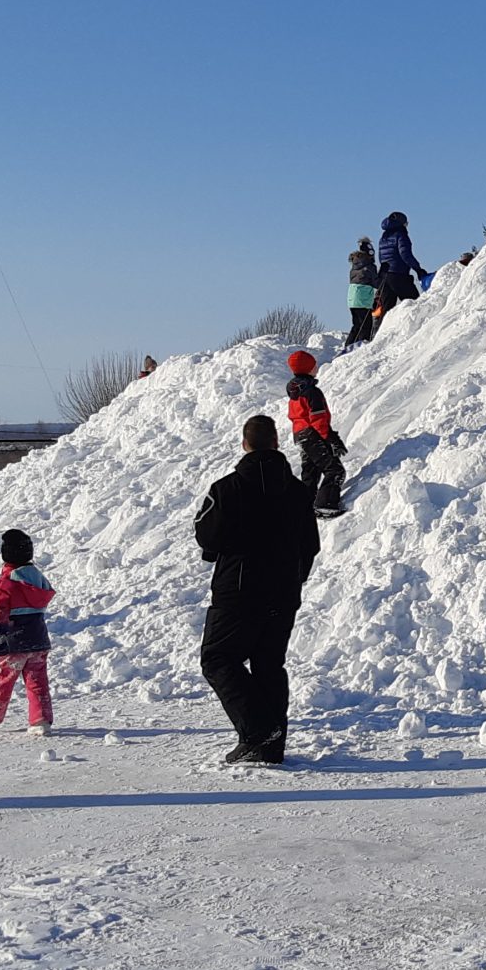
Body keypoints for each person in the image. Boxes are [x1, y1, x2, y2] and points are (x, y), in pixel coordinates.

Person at [193, 414, 322, 764]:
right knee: (269, 664)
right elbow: (311, 543)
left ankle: (259, 730)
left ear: (244, 444)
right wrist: (295, 576)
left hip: (237, 592)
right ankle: (269, 746)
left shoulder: (227, 488)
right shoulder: (296, 491)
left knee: (218, 659)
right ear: (277, 442)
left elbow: (206, 536)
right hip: (283, 592)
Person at [0, 529, 56, 735]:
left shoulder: (5, 583)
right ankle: (41, 721)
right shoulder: (38, 579)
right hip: (38, 637)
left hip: (14, 640)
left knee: (4, 679)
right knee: (37, 679)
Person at [284, 350, 347, 517]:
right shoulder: (311, 392)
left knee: (311, 472)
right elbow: (317, 418)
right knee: (335, 470)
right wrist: (331, 438)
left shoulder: (295, 392)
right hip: (313, 434)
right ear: (308, 368)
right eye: (314, 365)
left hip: (301, 436)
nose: (316, 367)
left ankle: (303, 505)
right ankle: (325, 505)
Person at [374, 212, 427, 326]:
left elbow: (381, 258)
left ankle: (379, 335)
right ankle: (416, 329)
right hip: (398, 275)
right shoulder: (401, 235)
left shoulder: (383, 237)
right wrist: (418, 269)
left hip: (384, 276)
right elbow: (405, 255)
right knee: (415, 303)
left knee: (386, 309)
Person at [347, 238, 380, 346]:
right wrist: (383, 272)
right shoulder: (369, 266)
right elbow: (376, 283)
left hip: (352, 298)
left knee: (356, 325)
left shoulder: (355, 266)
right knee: (366, 325)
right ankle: (361, 346)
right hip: (363, 298)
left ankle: (349, 345)